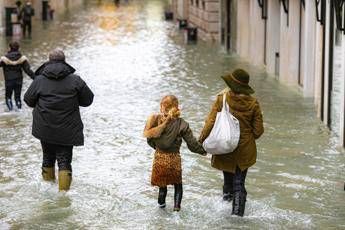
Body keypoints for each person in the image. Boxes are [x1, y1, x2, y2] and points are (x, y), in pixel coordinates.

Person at [24, 49, 94, 191]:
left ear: (48, 61)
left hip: (45, 128)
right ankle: (63, 196)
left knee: (47, 157)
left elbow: (28, 100)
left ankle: (47, 190)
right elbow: (88, 100)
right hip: (67, 130)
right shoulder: (75, 80)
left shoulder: (39, 80)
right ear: (64, 61)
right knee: (64, 160)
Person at [199, 69, 264, 217]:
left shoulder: (222, 99)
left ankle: (226, 210)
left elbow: (210, 123)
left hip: (225, 147)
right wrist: (246, 135)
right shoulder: (254, 104)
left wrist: (201, 141)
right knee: (239, 183)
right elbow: (258, 131)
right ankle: (237, 216)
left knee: (228, 181)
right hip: (244, 151)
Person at [144, 95, 206, 211]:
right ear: (177, 107)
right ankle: (177, 208)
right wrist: (202, 151)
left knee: (162, 187)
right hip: (174, 159)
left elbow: (149, 140)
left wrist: (158, 149)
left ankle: (161, 208)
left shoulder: (155, 121)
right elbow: (192, 143)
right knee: (178, 185)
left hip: (159, 159)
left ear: (162, 107)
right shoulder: (182, 124)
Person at [0, 41, 35, 111]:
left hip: (9, 80)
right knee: (18, 97)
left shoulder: (4, 59)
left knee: (8, 97)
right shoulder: (22, 58)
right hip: (18, 80)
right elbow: (28, 70)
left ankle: (10, 110)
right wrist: (36, 78)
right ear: (18, 48)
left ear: (9, 48)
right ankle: (19, 109)